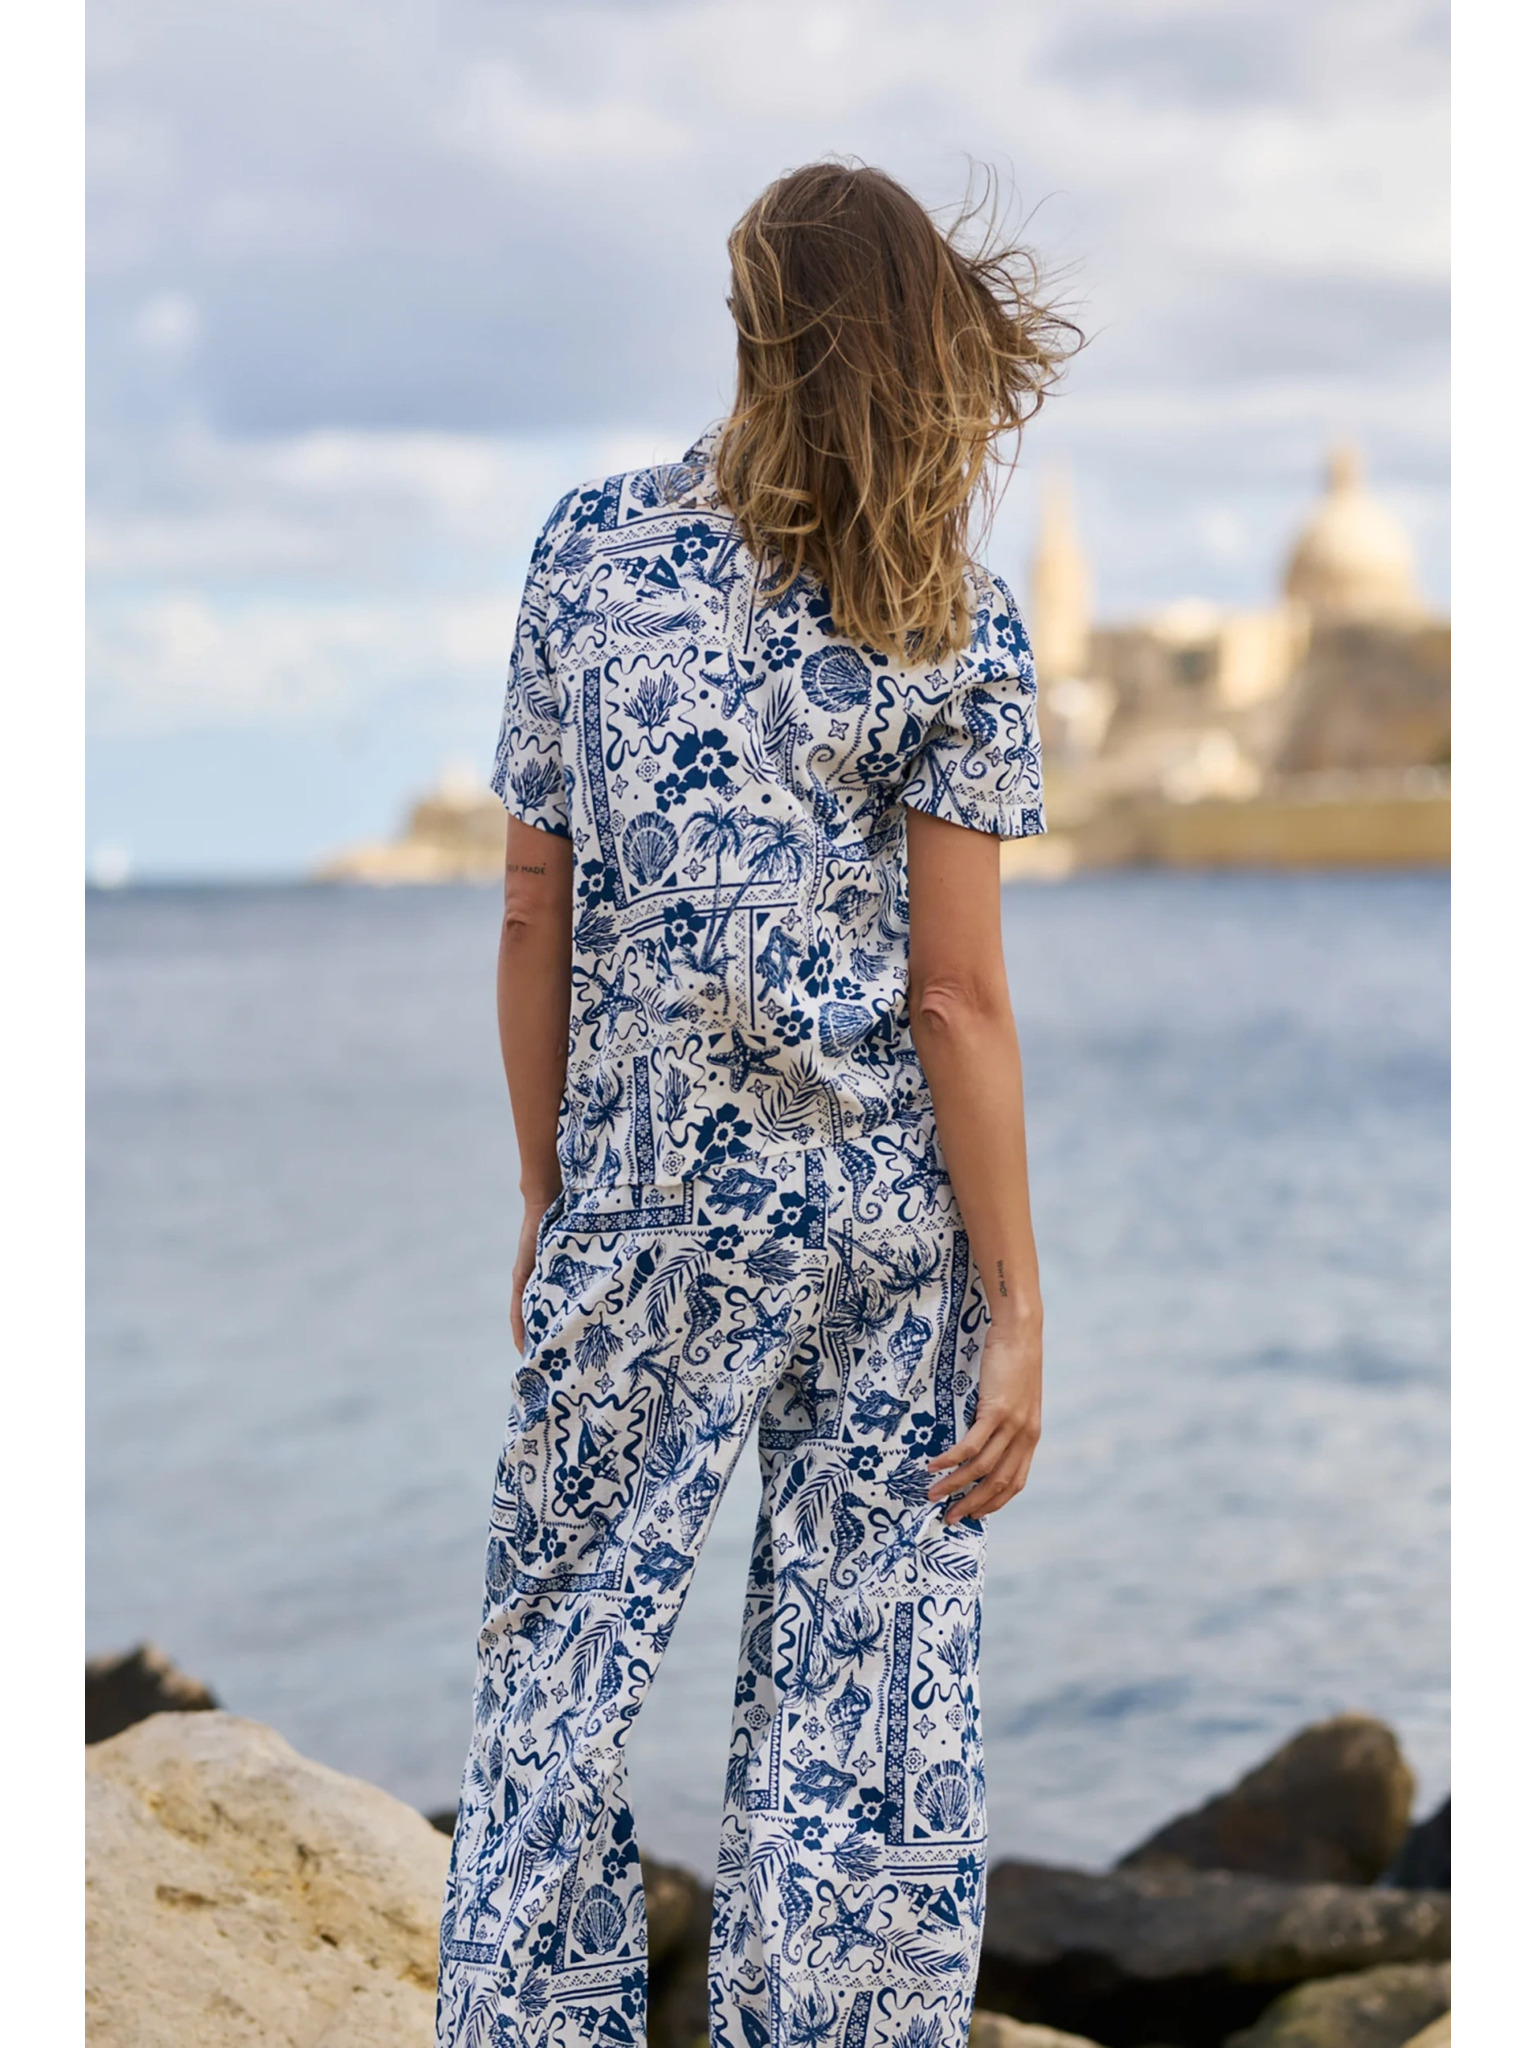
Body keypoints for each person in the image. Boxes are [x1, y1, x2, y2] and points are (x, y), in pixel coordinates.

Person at [438, 161, 1078, 2048]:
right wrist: (1018, 1299)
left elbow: (532, 910)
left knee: (558, 1675)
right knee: (858, 1719)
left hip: (644, 1210)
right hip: (880, 1234)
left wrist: (549, 1191)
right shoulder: (947, 611)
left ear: (751, 327)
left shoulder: (587, 553)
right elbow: (956, 999)